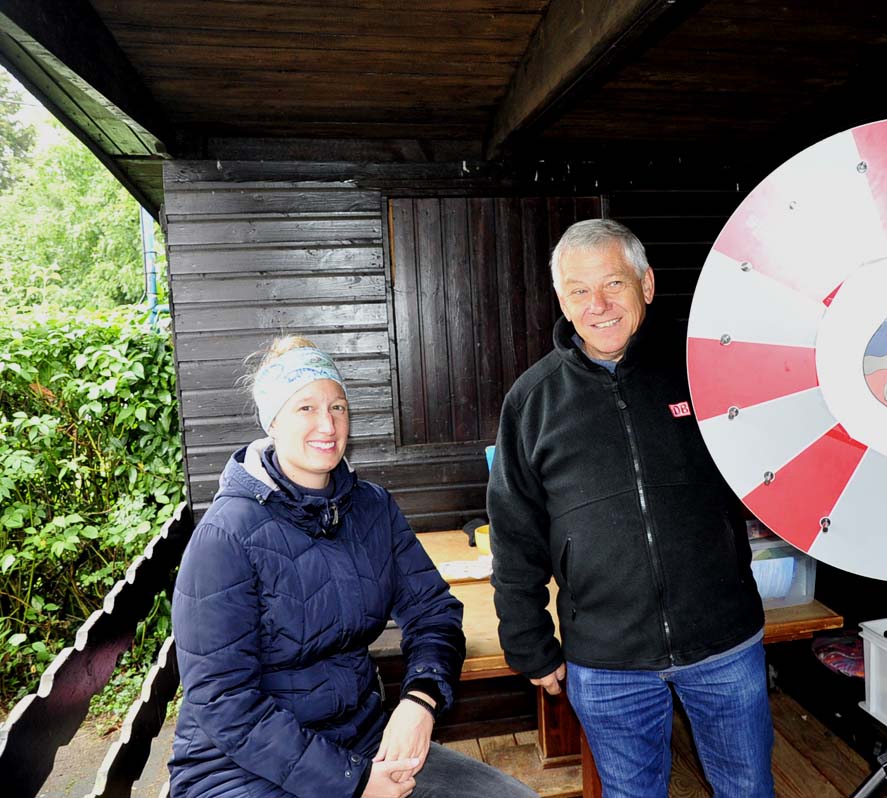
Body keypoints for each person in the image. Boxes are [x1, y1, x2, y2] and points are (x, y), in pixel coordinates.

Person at [169, 337, 536, 798]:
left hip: (364, 741)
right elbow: (224, 703)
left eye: (338, 407)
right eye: (306, 408)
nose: (327, 424)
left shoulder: (370, 508)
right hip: (241, 770)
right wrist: (355, 783)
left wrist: (420, 700)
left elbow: (435, 613)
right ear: (273, 420)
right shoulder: (226, 536)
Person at [487, 219, 775, 798]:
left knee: (748, 789)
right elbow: (514, 533)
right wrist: (529, 643)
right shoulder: (531, 401)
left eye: (613, 284)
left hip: (723, 640)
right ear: (562, 300)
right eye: (578, 291)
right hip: (606, 656)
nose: (598, 306)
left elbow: (772, 466)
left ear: (646, 284)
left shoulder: (702, 372)